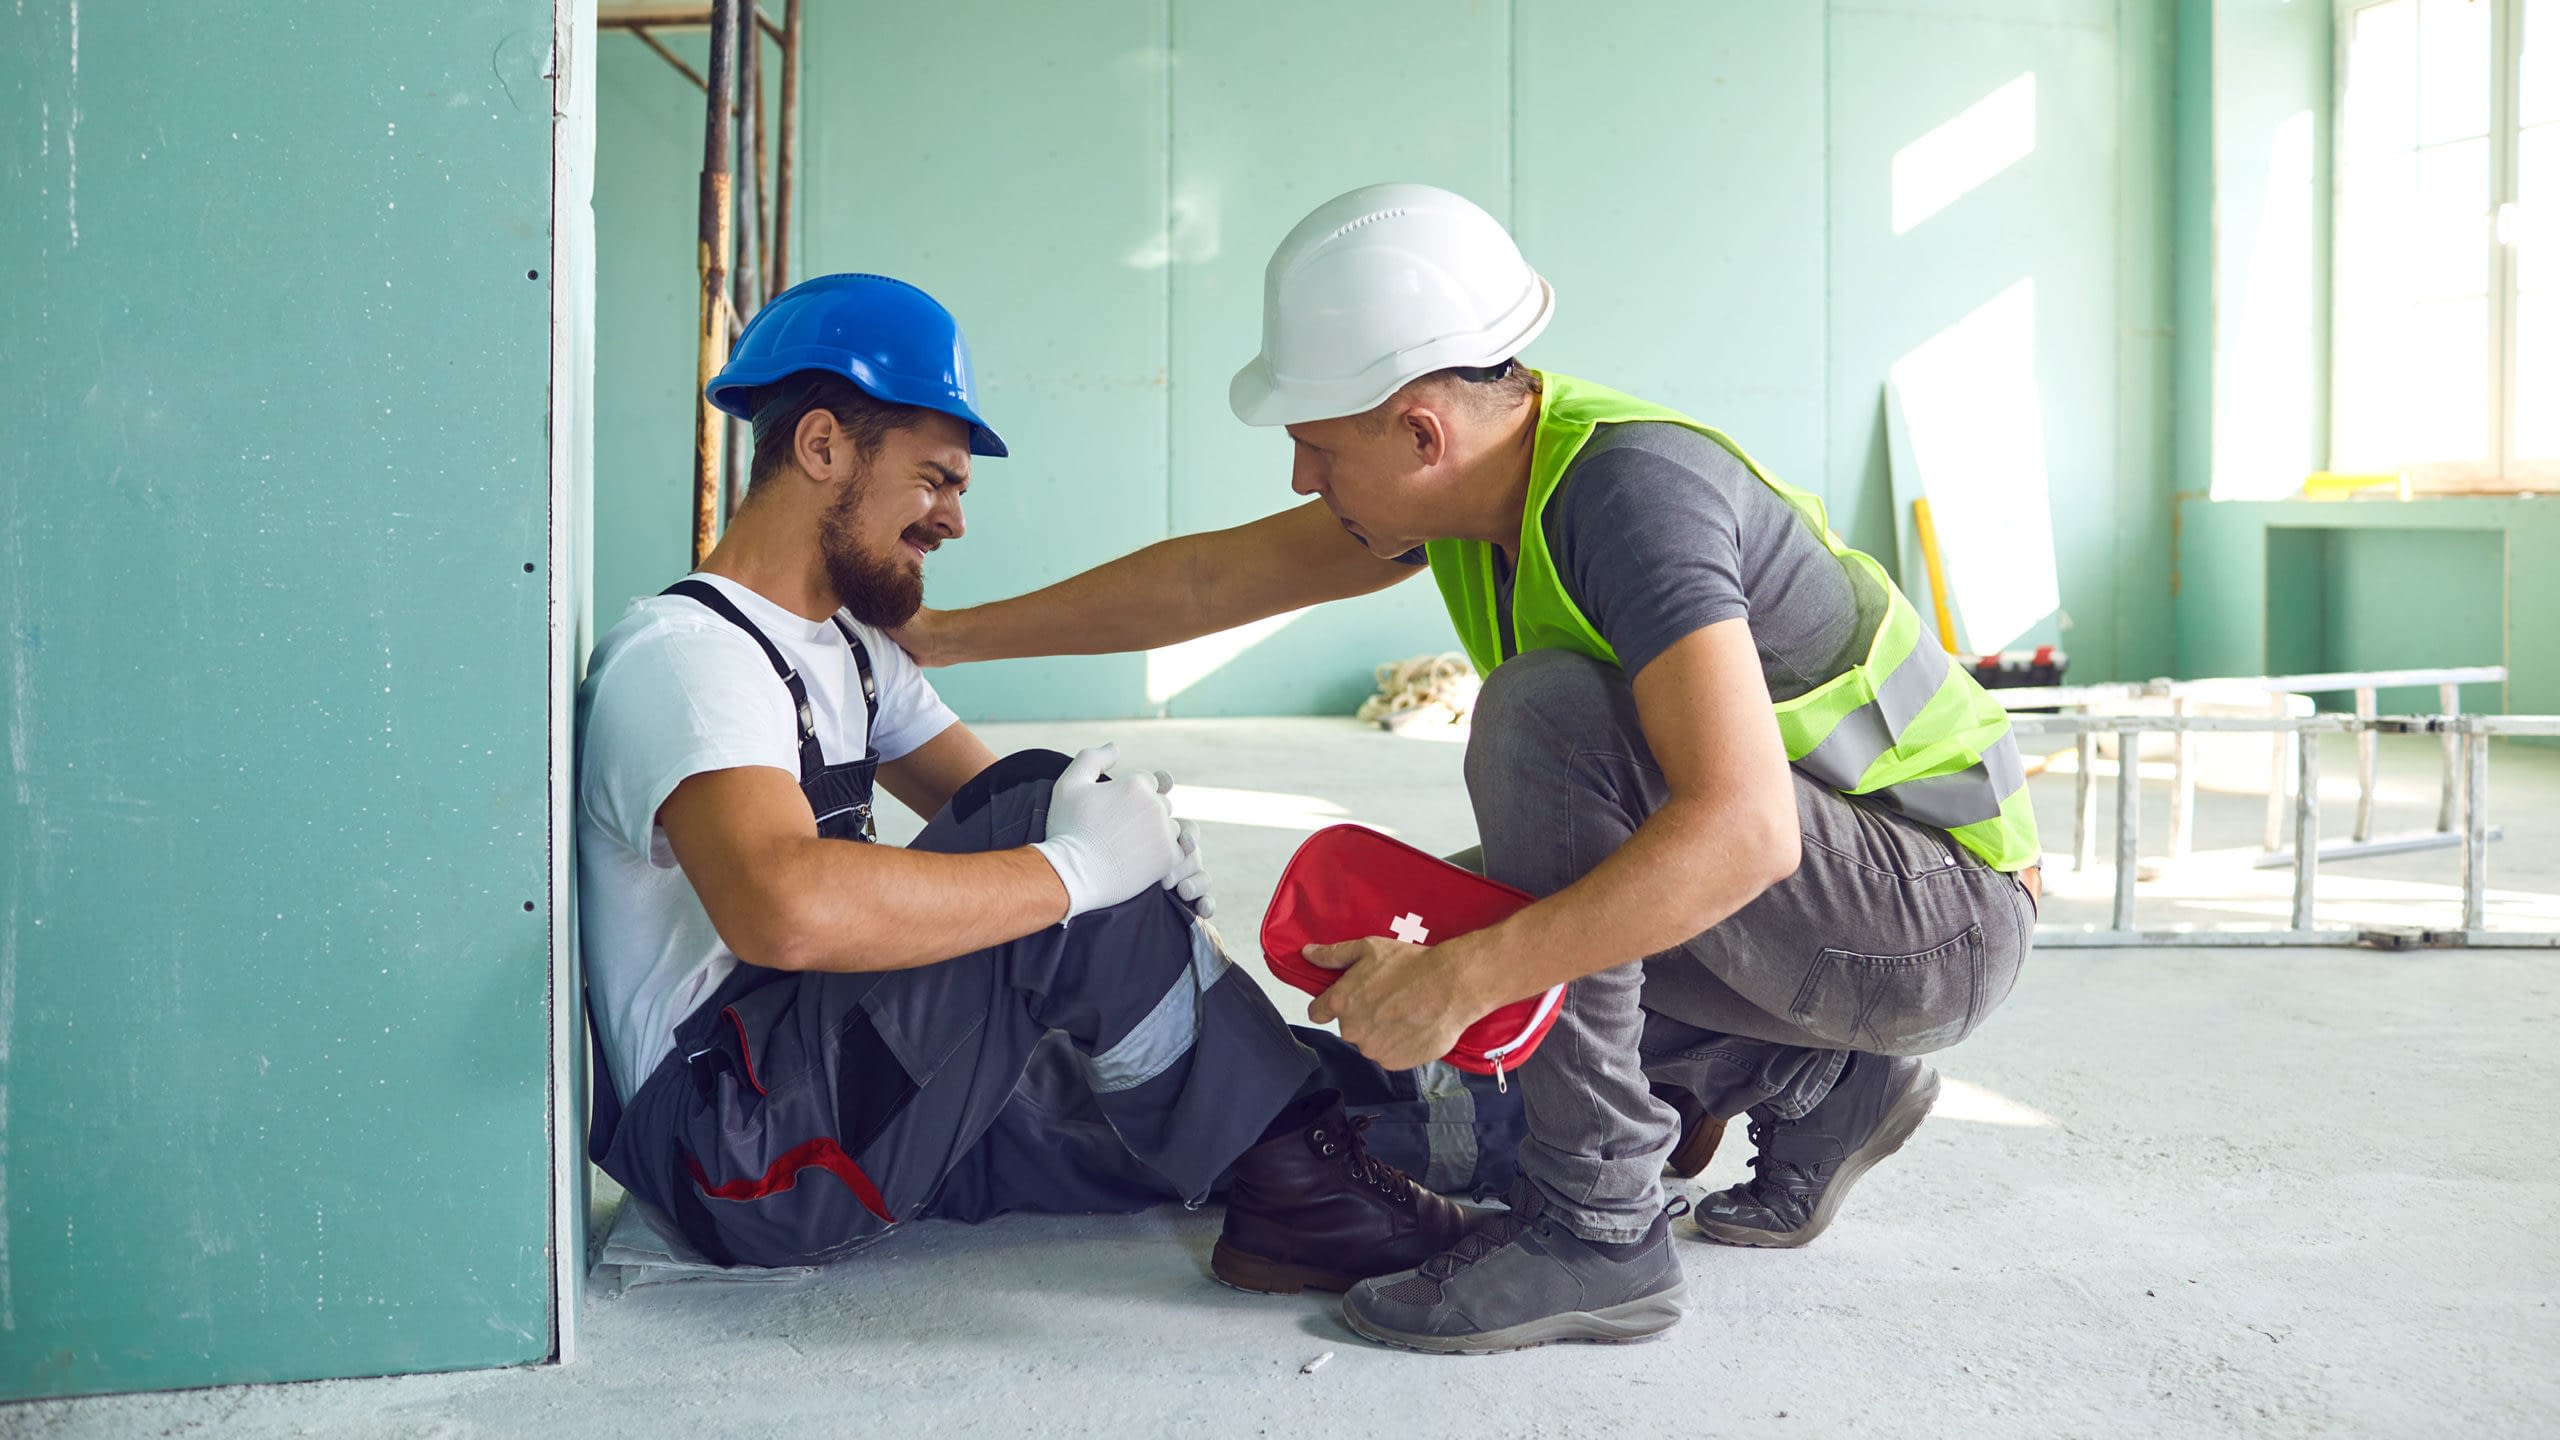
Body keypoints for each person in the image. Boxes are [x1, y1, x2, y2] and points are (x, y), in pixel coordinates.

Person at [893, 185, 2043, 1354]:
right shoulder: (1470, 490)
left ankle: (1597, 1236)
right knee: (1436, 933)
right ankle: (1815, 1082)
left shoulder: (1632, 501)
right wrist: (945, 637)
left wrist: (1471, 977)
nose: (1300, 478)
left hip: (1935, 911)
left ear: (1420, 431)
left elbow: (1746, 830)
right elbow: (1209, 585)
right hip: (1847, 906)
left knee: (1538, 738)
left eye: (1315, 445)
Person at [576, 273, 1516, 1290]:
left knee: (1181, 1086)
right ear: (820, 447)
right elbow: (784, 912)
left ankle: (1531, 1127)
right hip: (738, 1145)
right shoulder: (689, 657)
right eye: (935, 478)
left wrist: (1131, 843)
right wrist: (1079, 868)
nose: (953, 519)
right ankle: (1303, 1203)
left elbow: (1014, 800)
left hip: (844, 1080)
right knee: (1047, 827)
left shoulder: (847, 650)